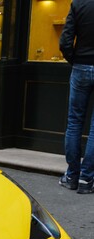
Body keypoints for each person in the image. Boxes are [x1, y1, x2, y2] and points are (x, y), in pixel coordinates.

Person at [59, 0, 94, 194]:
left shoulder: (78, 4)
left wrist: (75, 59)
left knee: (74, 122)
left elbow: (65, 41)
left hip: (81, 65)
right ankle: (86, 179)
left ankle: (72, 175)